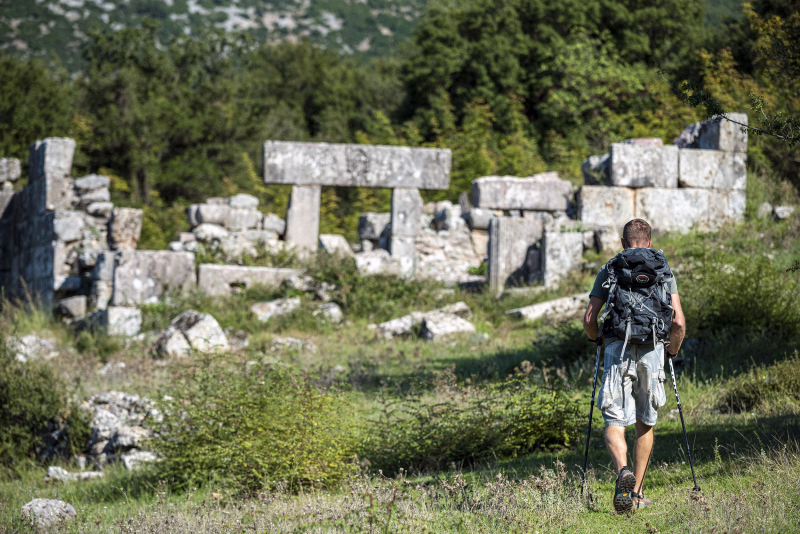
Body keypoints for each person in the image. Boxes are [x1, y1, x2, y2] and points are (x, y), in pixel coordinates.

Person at [582, 219, 686, 512]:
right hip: (652, 348)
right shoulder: (663, 269)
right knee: (645, 421)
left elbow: (589, 319)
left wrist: (596, 338)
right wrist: (672, 349)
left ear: (623, 242)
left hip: (617, 346)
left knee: (614, 420)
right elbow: (678, 322)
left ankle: (622, 471)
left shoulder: (610, 268)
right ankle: (636, 494)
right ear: (649, 242)